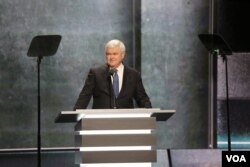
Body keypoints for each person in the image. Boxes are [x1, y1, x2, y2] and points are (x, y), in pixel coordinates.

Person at [73, 39, 152, 110]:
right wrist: (75, 116)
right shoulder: (96, 73)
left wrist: (150, 115)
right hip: (101, 122)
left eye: (115, 54)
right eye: (108, 54)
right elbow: (84, 97)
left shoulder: (134, 75)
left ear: (122, 55)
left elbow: (143, 100)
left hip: (126, 122)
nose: (111, 57)